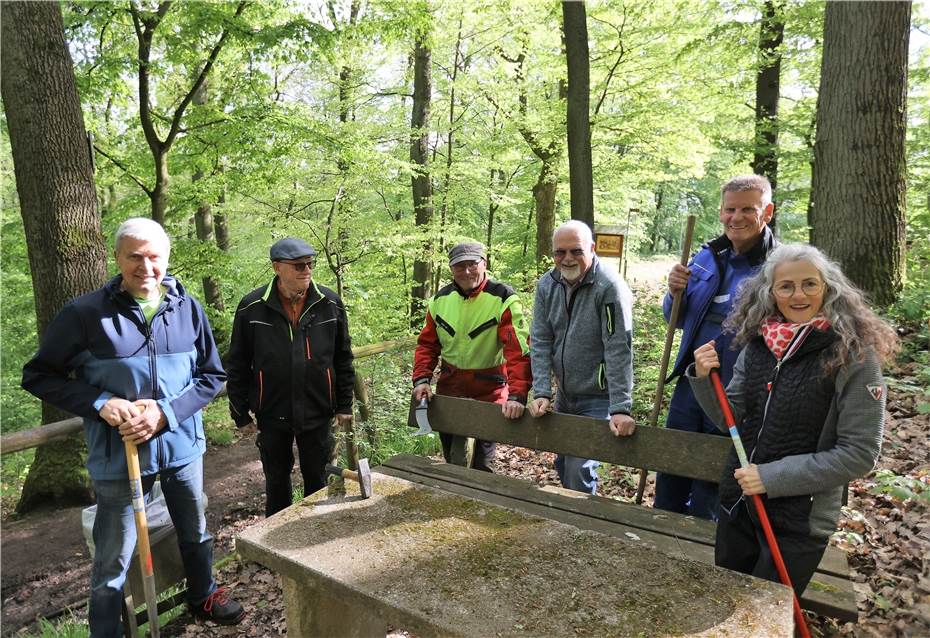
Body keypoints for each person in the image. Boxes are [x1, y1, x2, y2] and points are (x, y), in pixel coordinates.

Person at [21, 218, 244, 636]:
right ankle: (107, 632)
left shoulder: (187, 308)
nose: (146, 266)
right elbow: (38, 376)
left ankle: (203, 595)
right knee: (112, 557)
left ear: (167, 257)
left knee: (194, 531)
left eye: (154, 256)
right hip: (118, 454)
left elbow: (213, 376)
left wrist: (166, 413)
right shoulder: (85, 315)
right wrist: (100, 402)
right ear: (118, 258)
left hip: (182, 447)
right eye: (135, 256)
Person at [688, 243, 897, 593]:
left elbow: (859, 453)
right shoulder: (759, 342)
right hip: (740, 505)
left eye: (809, 284)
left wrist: (771, 477)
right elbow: (732, 421)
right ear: (770, 292)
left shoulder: (854, 354)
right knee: (727, 601)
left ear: (827, 288)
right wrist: (702, 377)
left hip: (799, 522)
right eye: (786, 286)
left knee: (764, 614)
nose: (798, 294)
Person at [653, 174, 778, 520]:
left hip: (736, 394)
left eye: (747, 209)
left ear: (767, 211)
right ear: (721, 212)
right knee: (672, 466)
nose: (736, 217)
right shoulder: (707, 256)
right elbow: (676, 318)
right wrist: (673, 292)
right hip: (691, 386)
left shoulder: (777, 267)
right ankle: (658, 543)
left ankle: (704, 556)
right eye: (730, 209)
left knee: (715, 479)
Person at [226, 237, 355, 517]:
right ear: (277, 268)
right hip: (272, 412)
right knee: (276, 483)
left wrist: (345, 403)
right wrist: (240, 415)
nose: (306, 270)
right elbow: (237, 364)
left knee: (318, 481)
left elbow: (343, 356)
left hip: (318, 410)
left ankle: (314, 540)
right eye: (298, 265)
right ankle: (275, 548)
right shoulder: (251, 308)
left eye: (310, 264)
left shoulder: (330, 303)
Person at [528, 220, 635, 494]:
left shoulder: (608, 287)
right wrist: (541, 391)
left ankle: (582, 531)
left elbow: (618, 346)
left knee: (579, 468)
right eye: (560, 252)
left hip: (597, 398)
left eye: (576, 251)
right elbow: (540, 339)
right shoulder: (547, 285)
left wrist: (620, 406)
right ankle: (574, 522)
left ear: (592, 248)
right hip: (565, 394)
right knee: (564, 464)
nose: (567, 258)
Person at [412, 241, 531, 471]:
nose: (466, 272)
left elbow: (518, 351)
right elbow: (427, 345)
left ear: (484, 264)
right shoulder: (439, 301)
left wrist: (517, 395)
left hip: (490, 391)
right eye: (459, 266)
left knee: (481, 466)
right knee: (452, 461)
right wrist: (422, 379)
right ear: (451, 269)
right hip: (450, 390)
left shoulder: (503, 297)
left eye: (472, 264)